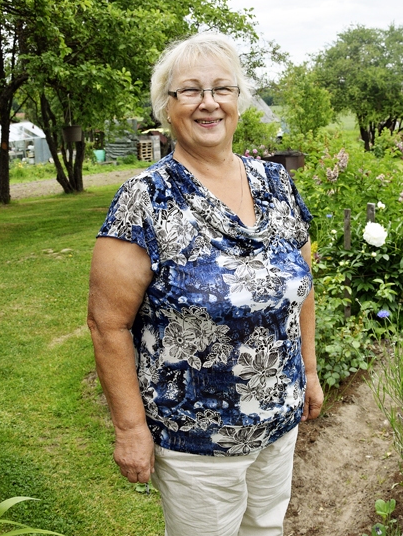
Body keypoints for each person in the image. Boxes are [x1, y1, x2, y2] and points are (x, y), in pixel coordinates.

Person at [87, 31, 323, 536]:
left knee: (265, 529)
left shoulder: (276, 184)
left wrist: (310, 370)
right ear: (166, 108)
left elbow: (302, 285)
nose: (208, 103)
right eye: (190, 90)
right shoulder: (144, 200)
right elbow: (107, 324)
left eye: (222, 88)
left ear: (238, 101)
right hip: (196, 444)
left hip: (277, 425)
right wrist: (130, 429)